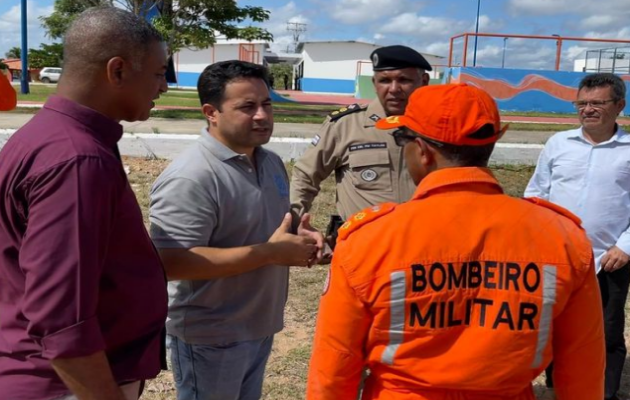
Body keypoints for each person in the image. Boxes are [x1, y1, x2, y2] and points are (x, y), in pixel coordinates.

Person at [306, 83, 605, 400]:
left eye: (401, 139)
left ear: (422, 150)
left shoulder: (369, 239)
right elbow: (583, 365)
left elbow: (334, 365)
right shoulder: (562, 237)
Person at [0, 6, 169, 400]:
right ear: (118, 71)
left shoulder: (44, 135)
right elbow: (62, 322)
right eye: (159, 73)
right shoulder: (77, 160)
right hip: (64, 385)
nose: (162, 87)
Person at [149, 60, 323, 400]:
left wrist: (304, 238)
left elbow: (271, 225)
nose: (262, 115)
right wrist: (270, 254)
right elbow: (172, 262)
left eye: (267, 104)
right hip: (211, 336)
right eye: (247, 107)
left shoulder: (269, 161)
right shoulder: (192, 176)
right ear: (211, 112)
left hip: (259, 323)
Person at [525, 72, 629, 400]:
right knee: (556, 326)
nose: (587, 110)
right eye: (582, 103)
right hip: (557, 256)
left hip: (608, 259)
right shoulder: (558, 143)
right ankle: (561, 388)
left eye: (597, 103)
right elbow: (536, 192)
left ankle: (604, 393)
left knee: (607, 332)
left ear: (619, 106)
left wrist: (626, 246)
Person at [290, 45, 431, 252]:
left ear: (424, 82)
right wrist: (296, 225)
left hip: (425, 249)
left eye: (404, 80)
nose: (393, 89)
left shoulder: (439, 127)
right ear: (374, 84)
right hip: (364, 251)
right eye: (384, 80)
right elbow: (305, 176)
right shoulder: (346, 125)